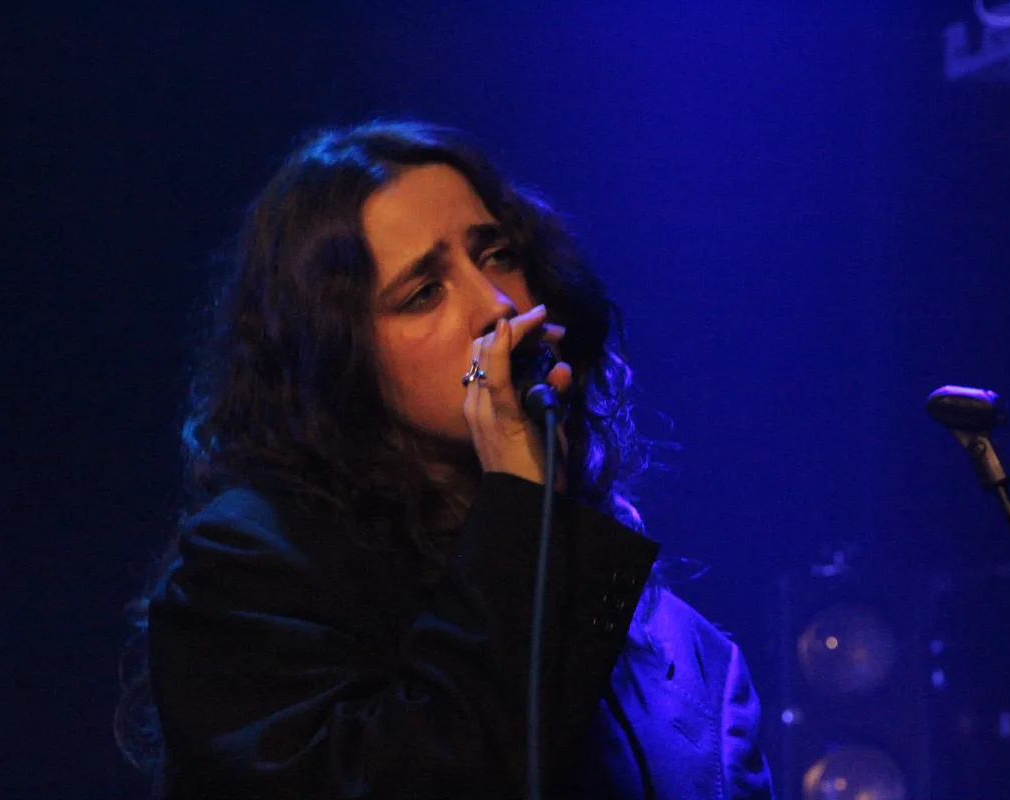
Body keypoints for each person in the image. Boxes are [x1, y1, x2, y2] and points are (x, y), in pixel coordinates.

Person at [115, 120, 774, 799]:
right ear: (342, 359)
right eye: (423, 293)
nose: (496, 306)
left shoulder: (694, 662)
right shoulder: (249, 572)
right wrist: (518, 505)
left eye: (498, 256)